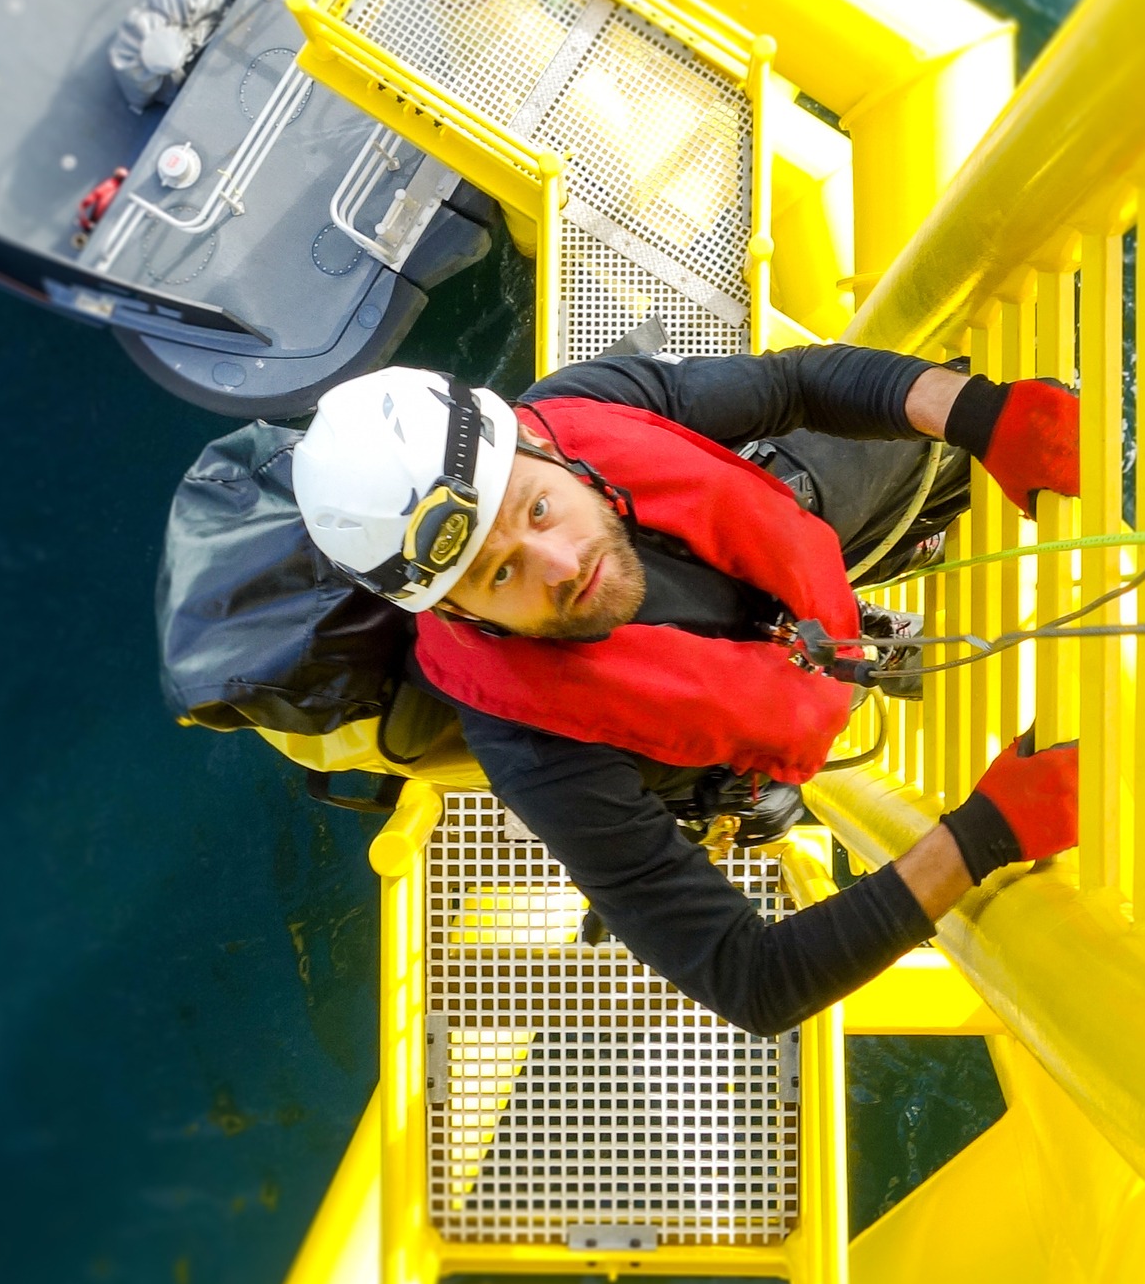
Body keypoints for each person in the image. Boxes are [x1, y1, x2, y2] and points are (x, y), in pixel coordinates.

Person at [292, 341, 1088, 1036]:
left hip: (765, 585)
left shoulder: (584, 407)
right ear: (458, 615)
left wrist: (982, 415)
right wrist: (985, 835)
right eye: (501, 573)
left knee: (917, 430)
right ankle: (823, 687)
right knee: (764, 797)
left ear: (539, 445)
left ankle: (873, 595)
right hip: (707, 739)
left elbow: (791, 385)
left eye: (538, 509)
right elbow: (753, 979)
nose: (562, 565)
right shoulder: (539, 753)